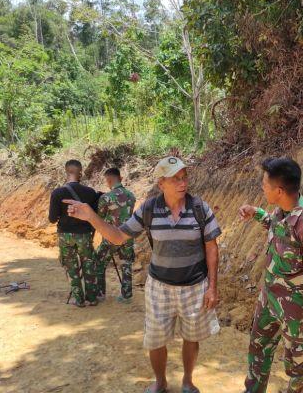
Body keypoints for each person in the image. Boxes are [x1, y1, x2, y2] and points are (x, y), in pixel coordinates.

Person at [64, 156, 221, 393]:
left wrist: (212, 287)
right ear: (161, 183)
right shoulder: (149, 208)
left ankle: (187, 381)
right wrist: (91, 217)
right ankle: (160, 382)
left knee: (192, 338)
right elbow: (118, 236)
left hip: (194, 287)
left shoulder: (200, 208)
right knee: (155, 339)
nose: (183, 183)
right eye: (175, 179)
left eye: (184, 177)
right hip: (159, 288)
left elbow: (211, 247)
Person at [238, 157, 303, 393]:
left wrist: (300, 287)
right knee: (258, 350)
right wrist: (256, 213)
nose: (262, 187)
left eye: (265, 184)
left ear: (279, 191)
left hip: (295, 309)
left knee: (297, 366)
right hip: (268, 299)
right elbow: (277, 226)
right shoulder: (282, 211)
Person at [49, 159, 101, 307]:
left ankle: (79, 300)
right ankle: (92, 298)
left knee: (71, 267)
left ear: (66, 172)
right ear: (80, 173)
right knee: (88, 264)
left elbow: (52, 219)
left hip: (65, 235)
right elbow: (94, 215)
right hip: (84, 234)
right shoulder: (90, 192)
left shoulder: (57, 193)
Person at [94, 167, 136, 303]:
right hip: (128, 236)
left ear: (109, 180)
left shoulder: (106, 197)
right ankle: (126, 296)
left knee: (99, 262)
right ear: (121, 178)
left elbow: (100, 218)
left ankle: (100, 294)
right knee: (126, 264)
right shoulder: (131, 196)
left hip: (111, 237)